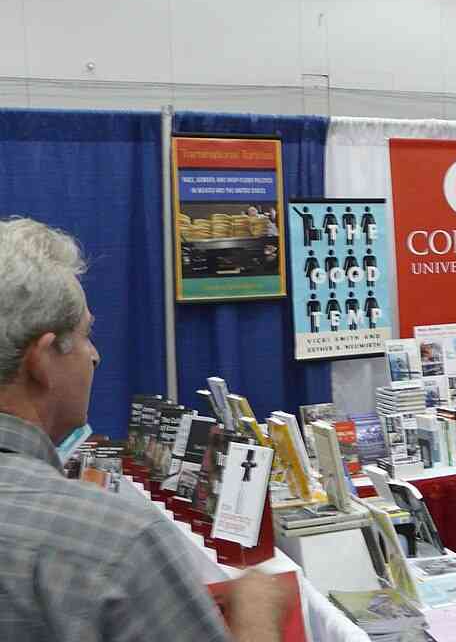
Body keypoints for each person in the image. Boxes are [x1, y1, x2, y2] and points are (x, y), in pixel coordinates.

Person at [0, 217, 288, 642]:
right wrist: (256, 611)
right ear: (42, 360)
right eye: (86, 335)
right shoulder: (115, 544)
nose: (94, 356)